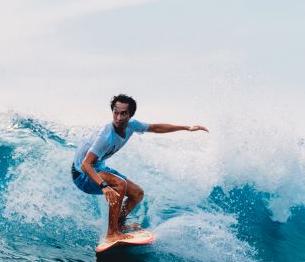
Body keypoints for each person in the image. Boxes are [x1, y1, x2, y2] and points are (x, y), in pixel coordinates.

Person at [71, 94, 208, 243]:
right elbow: (86, 165)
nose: (118, 117)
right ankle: (112, 233)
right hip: (82, 174)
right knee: (119, 184)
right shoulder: (105, 136)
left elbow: (155, 127)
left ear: (130, 115)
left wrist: (186, 128)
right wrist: (104, 186)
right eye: (115, 112)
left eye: (123, 113)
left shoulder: (132, 125)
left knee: (137, 193)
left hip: (98, 167)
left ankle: (119, 224)